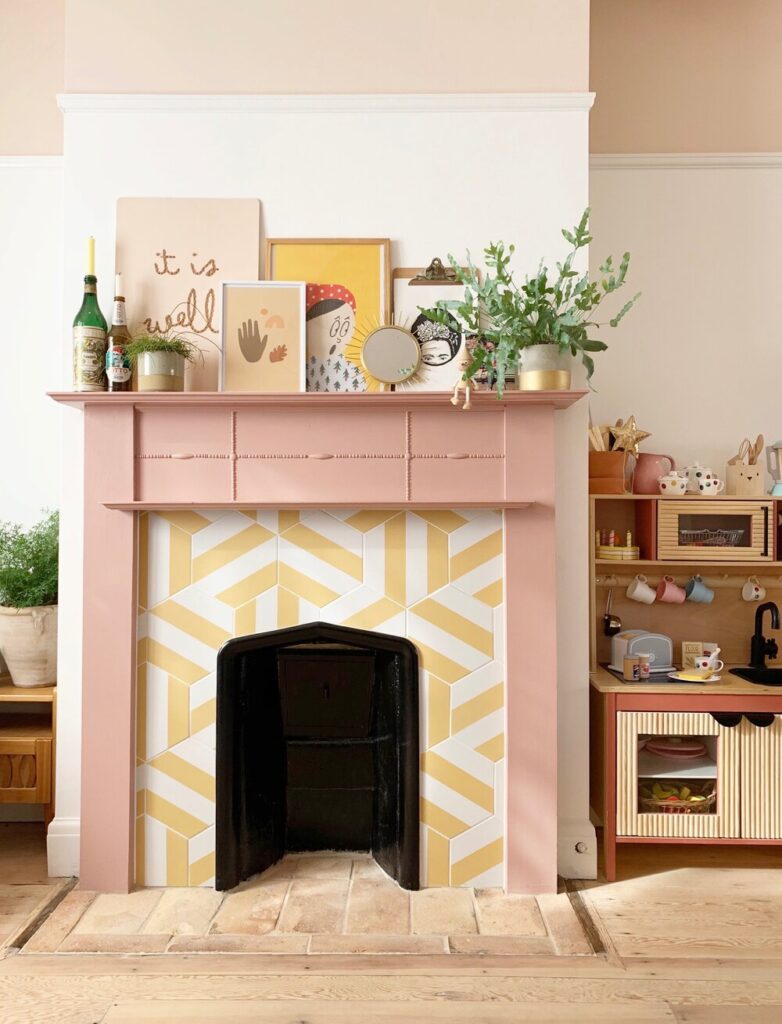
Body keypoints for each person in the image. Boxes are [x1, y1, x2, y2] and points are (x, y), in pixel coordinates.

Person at [305, 283, 366, 392]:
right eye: (334, 328)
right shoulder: (300, 373)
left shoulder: (354, 374)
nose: (338, 337)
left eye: (345, 329)